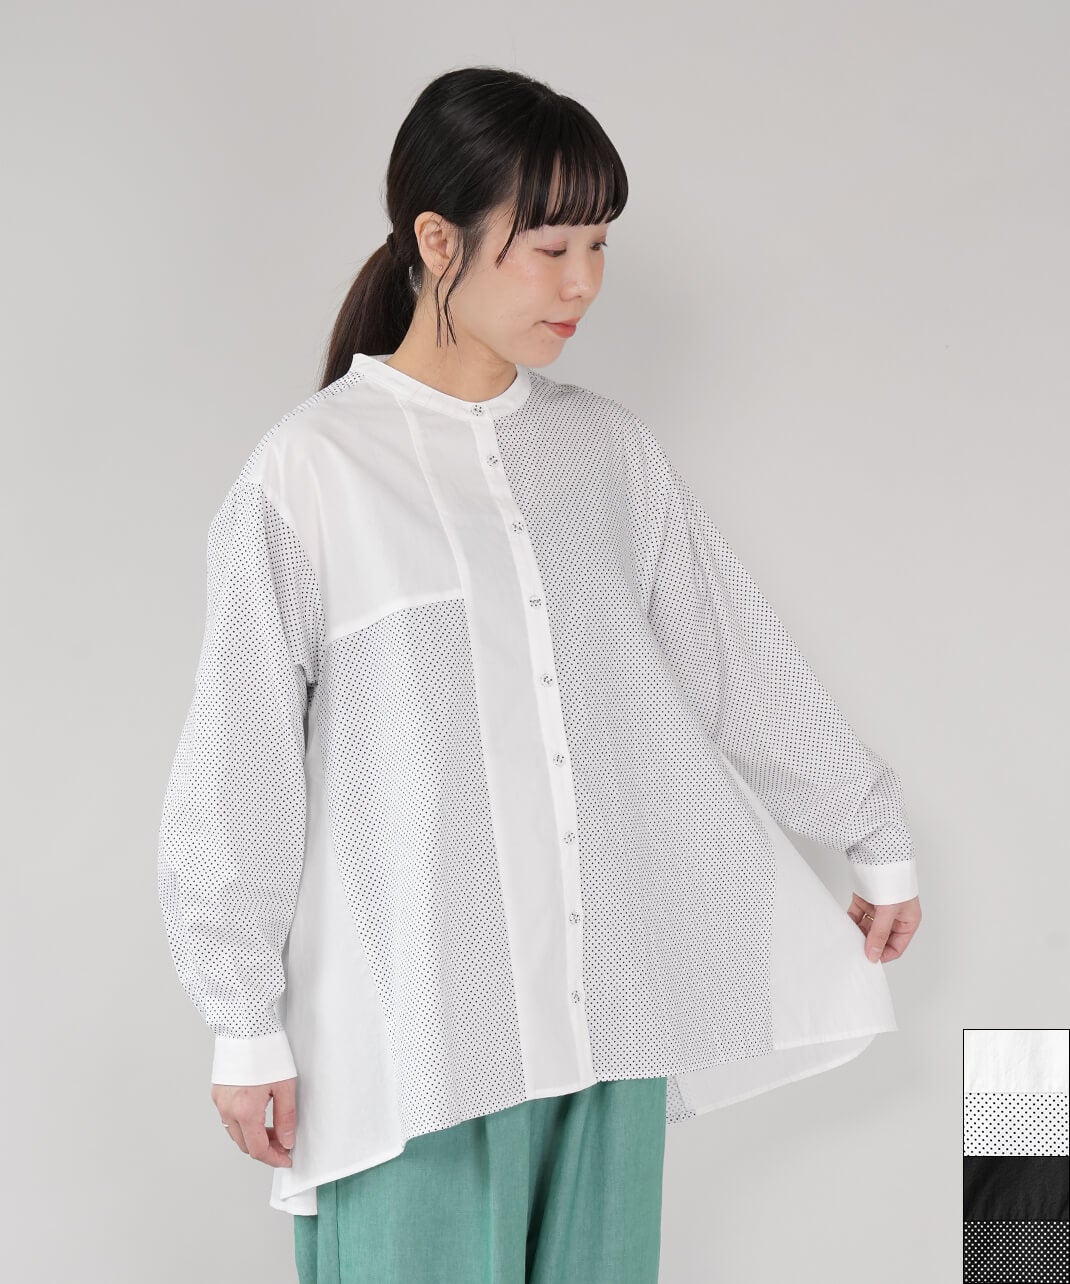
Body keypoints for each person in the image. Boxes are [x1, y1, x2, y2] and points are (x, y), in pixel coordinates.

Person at [157, 65, 923, 1284]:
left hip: (603, 1016)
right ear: (437, 240)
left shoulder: (605, 454)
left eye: (599, 245)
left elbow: (729, 658)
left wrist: (868, 831)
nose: (582, 284)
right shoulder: (310, 473)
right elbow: (237, 764)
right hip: (415, 1037)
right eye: (550, 247)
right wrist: (243, 1022)